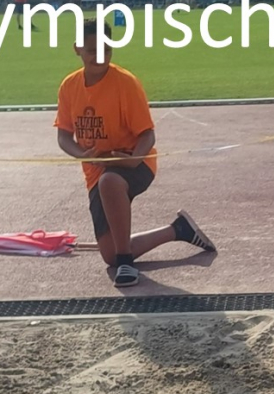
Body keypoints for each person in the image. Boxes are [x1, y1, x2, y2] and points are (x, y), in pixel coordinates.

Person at [55, 20, 216, 287]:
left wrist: (135, 158)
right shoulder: (69, 87)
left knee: (111, 182)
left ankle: (127, 265)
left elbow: (148, 134)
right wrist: (82, 153)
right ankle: (178, 230)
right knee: (109, 254)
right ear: (77, 49)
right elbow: (63, 136)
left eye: (106, 50)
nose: (99, 56)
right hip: (96, 168)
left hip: (135, 162)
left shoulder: (125, 83)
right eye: (91, 49)